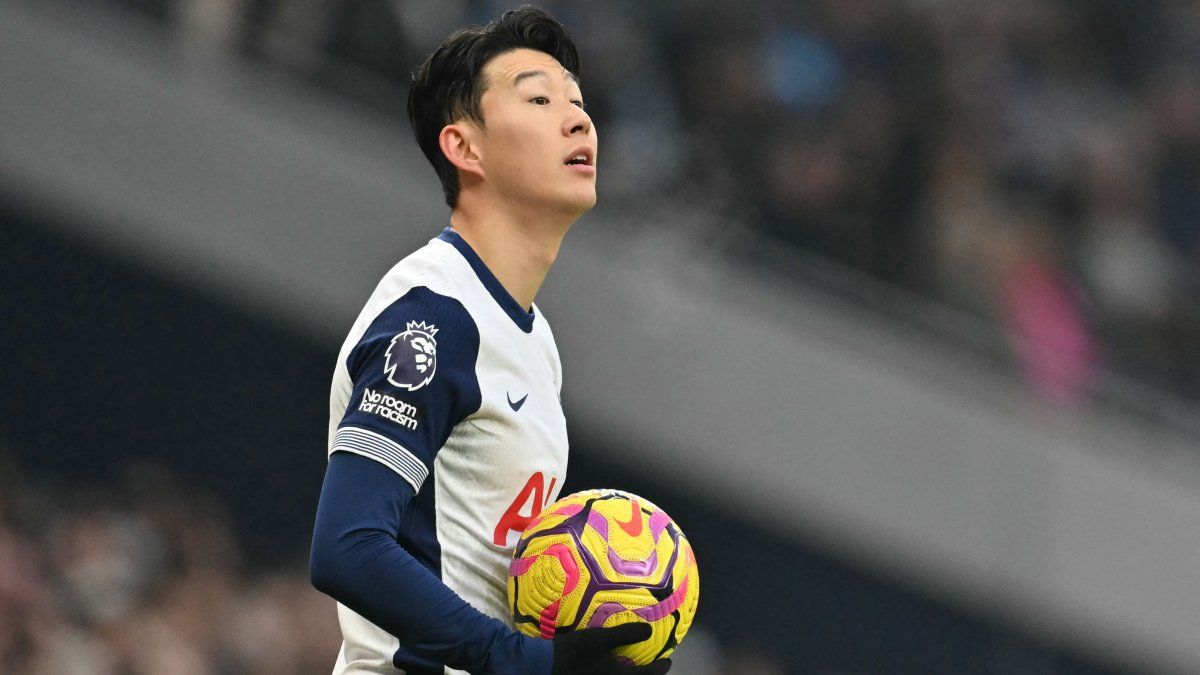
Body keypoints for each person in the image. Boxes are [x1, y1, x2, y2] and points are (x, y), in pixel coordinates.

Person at [309, 7, 671, 675]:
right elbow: (349, 546)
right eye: (539, 98)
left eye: (578, 103)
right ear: (464, 147)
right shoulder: (433, 314)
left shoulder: (535, 341)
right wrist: (527, 661)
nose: (579, 119)